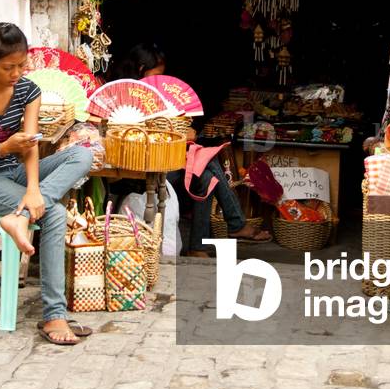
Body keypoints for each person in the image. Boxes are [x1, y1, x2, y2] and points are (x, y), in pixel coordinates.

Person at [0, 23, 94, 345]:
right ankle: (54, 316)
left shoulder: (28, 91)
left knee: (83, 155)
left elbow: (29, 146)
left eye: (21, 65)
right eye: (8, 67)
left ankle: (21, 216)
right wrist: (3, 148)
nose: (16, 73)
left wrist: (32, 190)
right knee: (55, 213)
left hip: (13, 173)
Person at [111, 43, 271, 256]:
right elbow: (137, 136)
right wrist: (173, 133)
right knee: (206, 167)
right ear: (141, 69)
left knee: (205, 176)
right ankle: (231, 226)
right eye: (157, 74)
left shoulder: (153, 96)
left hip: (162, 160)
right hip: (139, 168)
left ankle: (201, 245)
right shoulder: (125, 97)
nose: (160, 79)